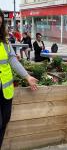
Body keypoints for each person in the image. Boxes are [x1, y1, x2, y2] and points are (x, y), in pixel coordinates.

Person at [0, 10, 38, 147]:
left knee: (5, 121)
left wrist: (27, 76)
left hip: (5, 91)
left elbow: (13, 60)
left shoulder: (4, 42)